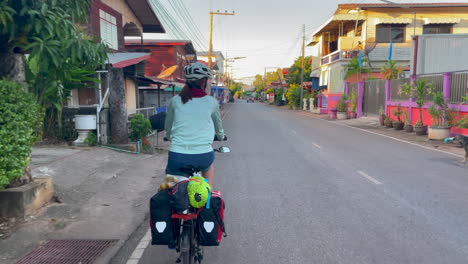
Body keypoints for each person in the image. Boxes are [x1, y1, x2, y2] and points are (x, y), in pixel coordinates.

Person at [164, 62, 225, 186]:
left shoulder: (175, 101)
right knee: (208, 171)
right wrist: (221, 136)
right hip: (203, 156)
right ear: (204, 81)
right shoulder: (212, 102)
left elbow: (168, 126)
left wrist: (169, 136)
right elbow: (218, 126)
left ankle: (169, 196)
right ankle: (208, 196)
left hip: (177, 156)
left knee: (169, 189)